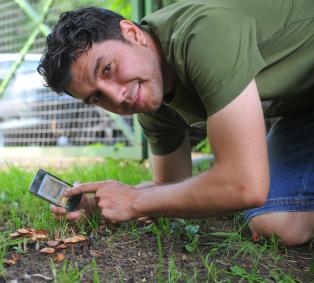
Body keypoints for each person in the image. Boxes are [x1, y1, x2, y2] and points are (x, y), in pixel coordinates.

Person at [37, 0, 314, 246]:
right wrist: (102, 202)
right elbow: (171, 184)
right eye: (97, 96)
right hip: (302, 111)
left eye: (107, 69)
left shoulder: (203, 35)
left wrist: (134, 202)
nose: (116, 96)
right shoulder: (148, 94)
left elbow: (244, 185)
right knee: (278, 224)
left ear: (132, 34)